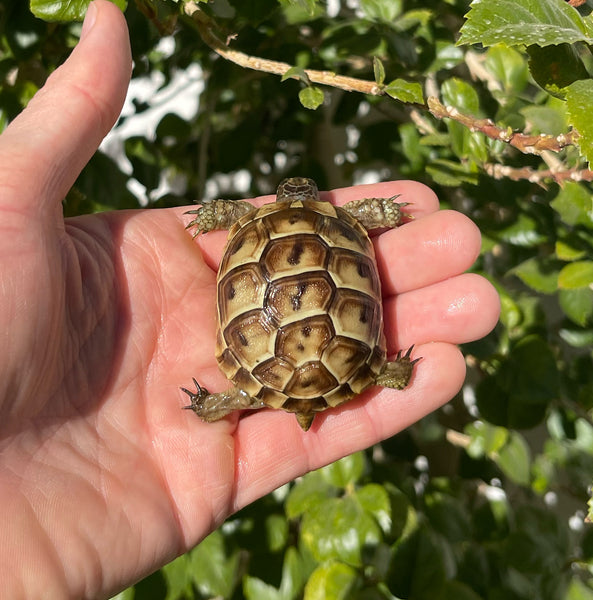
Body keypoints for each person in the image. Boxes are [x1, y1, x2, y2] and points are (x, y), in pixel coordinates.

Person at [0, 1, 500, 597]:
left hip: (265, 366)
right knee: (294, 379)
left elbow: (228, 216)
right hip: (340, 357)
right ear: (312, 197)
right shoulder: (345, 223)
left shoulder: (252, 225)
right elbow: (369, 217)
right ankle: (361, 373)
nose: (296, 191)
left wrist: (213, 216)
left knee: (243, 393)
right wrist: (383, 214)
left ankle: (234, 401)